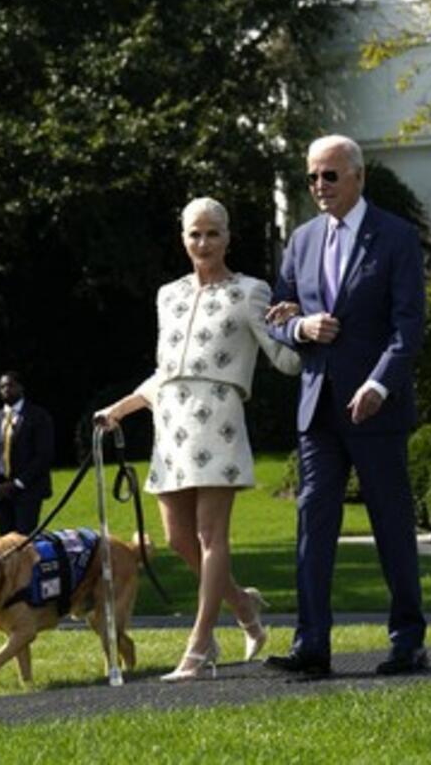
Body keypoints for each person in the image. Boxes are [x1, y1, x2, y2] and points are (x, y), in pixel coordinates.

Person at [94, 197, 300, 682]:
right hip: (171, 425)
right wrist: (119, 410)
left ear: (228, 237)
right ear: (183, 238)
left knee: (211, 537)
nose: (203, 243)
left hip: (219, 420)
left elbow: (285, 359)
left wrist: (300, 325)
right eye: (195, 234)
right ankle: (243, 605)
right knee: (178, 539)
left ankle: (201, 643)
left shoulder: (250, 291)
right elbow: (166, 372)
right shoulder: (168, 295)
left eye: (212, 233)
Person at [263, 134, 428, 677]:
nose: (319, 185)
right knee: (313, 525)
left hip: (376, 410)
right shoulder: (303, 239)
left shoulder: (396, 237)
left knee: (391, 526)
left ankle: (408, 641)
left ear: (358, 176)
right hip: (318, 409)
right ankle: (311, 645)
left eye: (329, 175)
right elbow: (279, 315)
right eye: (312, 176)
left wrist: (379, 385)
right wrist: (301, 328)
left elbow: (408, 327)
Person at [0, 371, 55, 535]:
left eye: (10, 385)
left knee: (24, 541)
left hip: (27, 490)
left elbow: (43, 456)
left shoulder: (37, 416)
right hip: (0, 493)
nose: (6, 390)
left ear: (21, 387)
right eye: (2, 387)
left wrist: (17, 483)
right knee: (5, 542)